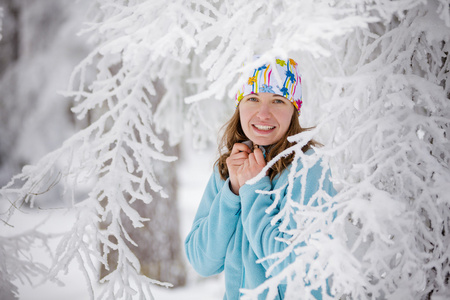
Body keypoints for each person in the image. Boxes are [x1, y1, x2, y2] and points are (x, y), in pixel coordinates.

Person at [184, 56, 336, 299]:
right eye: (253, 99)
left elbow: (296, 269)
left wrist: (254, 189)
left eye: (277, 101)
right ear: (240, 106)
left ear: (293, 110)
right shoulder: (229, 168)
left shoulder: (309, 167)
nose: (263, 113)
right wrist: (232, 192)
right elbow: (202, 261)